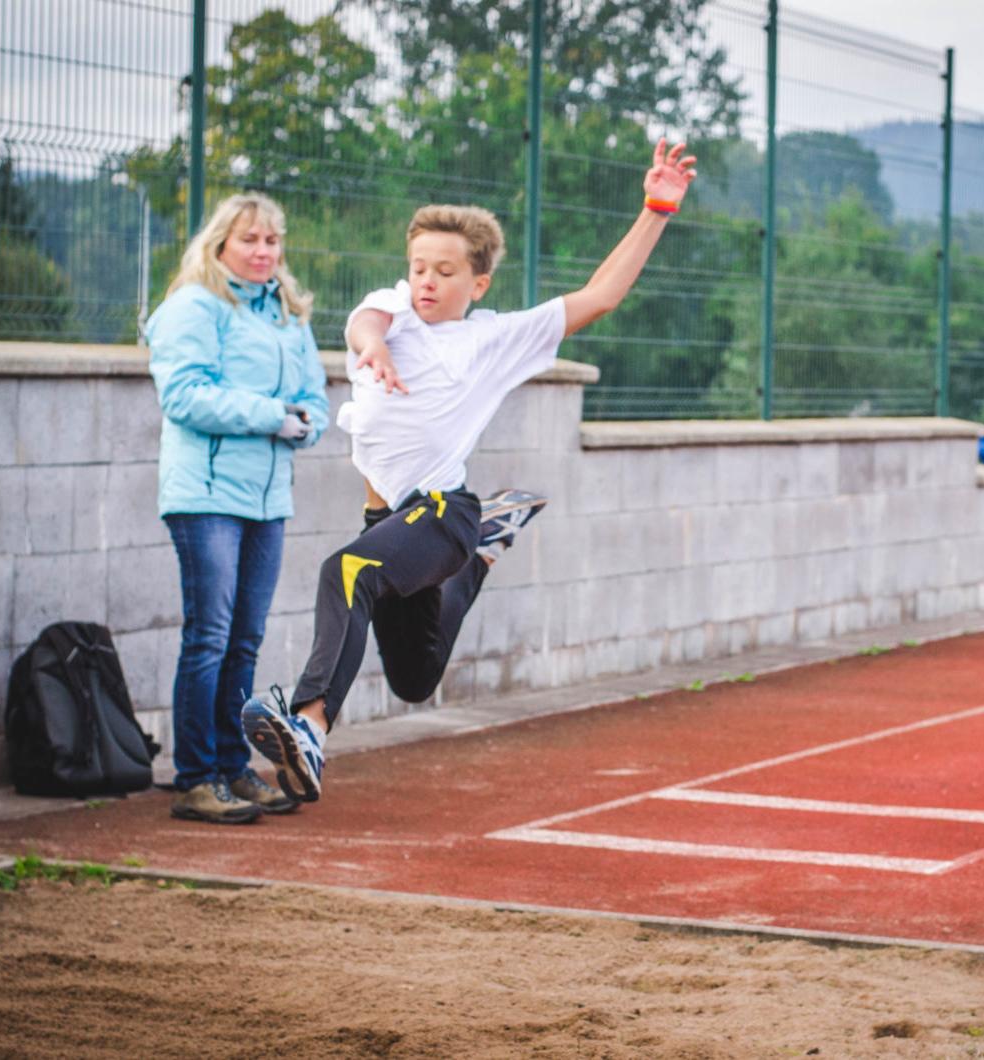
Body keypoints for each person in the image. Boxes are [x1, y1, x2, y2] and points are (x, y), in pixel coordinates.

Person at [240, 139, 697, 804]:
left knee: (346, 572)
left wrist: (656, 208)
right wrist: (372, 350)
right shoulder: (393, 312)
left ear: (477, 283)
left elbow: (599, 296)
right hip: (392, 518)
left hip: (439, 510)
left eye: (445, 271)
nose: (426, 280)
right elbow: (365, 321)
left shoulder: (491, 339)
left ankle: (310, 726)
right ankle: (481, 553)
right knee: (413, 677)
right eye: (419, 266)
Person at [146, 192, 329, 824]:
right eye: (250, 240)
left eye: (273, 242)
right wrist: (274, 417)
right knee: (209, 638)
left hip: (266, 498)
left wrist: (308, 424)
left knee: (244, 640)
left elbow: (315, 398)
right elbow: (185, 394)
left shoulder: (287, 313)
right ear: (221, 243)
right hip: (204, 496)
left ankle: (232, 768)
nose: (263, 252)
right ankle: (195, 779)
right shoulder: (194, 305)